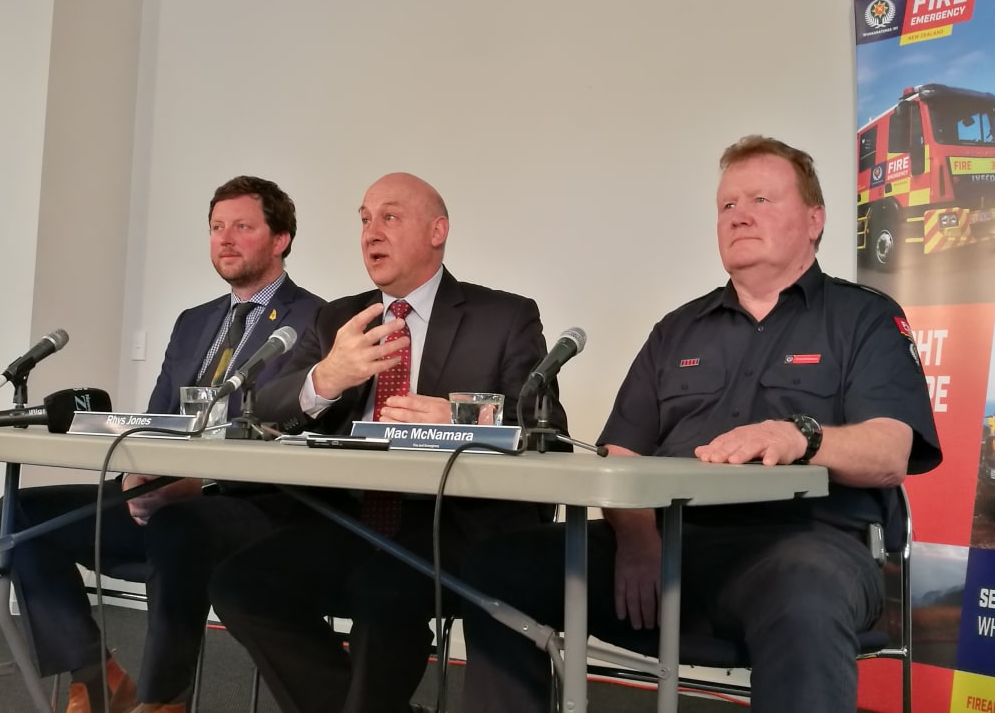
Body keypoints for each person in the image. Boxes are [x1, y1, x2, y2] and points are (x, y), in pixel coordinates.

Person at [458, 136, 942, 713]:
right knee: (494, 565)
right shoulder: (677, 330)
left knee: (804, 591)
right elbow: (621, 453)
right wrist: (637, 538)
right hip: (665, 549)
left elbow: (890, 451)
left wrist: (801, 435)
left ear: (814, 220)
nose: (739, 215)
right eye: (727, 206)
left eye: (761, 199)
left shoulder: (865, 318)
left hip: (803, 545)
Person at [205, 171, 568, 713]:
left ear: (437, 230)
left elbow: (546, 423)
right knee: (240, 582)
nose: (371, 232)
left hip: (453, 522)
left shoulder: (503, 315)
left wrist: (463, 417)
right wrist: (325, 378)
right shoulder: (338, 318)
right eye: (364, 219)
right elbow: (267, 405)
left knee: (383, 590)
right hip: (352, 517)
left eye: (390, 217)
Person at [0, 176, 325, 713]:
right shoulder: (194, 322)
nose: (225, 239)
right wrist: (136, 476)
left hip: (249, 505)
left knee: (179, 525)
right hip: (164, 492)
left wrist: (196, 483)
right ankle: (97, 680)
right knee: (18, 513)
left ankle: (162, 701)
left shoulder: (315, 319)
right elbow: (157, 418)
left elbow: (294, 430)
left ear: (281, 238)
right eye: (216, 227)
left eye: (242, 226)